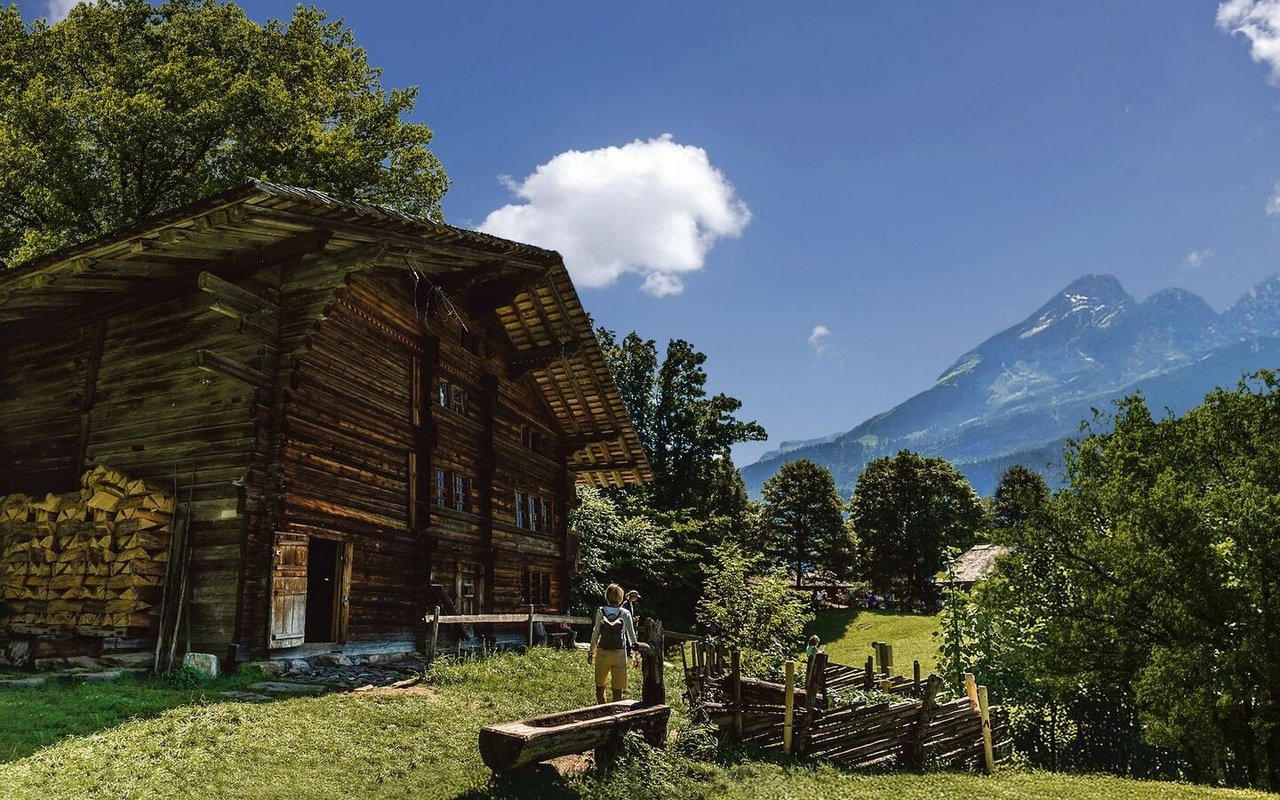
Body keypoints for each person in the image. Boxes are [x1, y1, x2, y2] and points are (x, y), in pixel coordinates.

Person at [587, 583, 638, 704]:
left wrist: (591, 652)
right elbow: (631, 635)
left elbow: (596, 633)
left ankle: (602, 711)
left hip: (602, 653)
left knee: (600, 686)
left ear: (607, 596)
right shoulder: (625, 613)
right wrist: (635, 655)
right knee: (617, 690)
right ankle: (615, 715)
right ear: (621, 598)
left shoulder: (601, 611)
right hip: (619, 653)